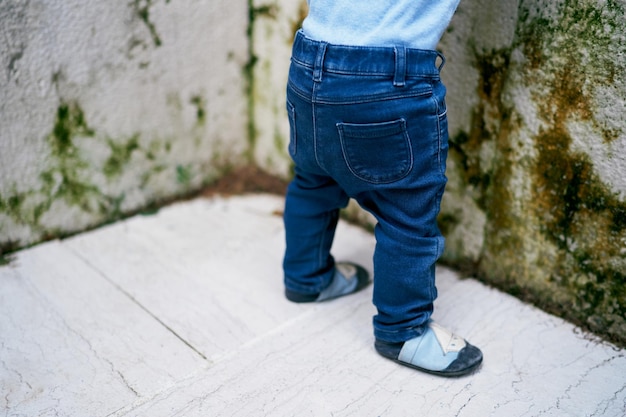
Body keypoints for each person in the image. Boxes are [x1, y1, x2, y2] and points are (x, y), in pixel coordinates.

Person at [282, 0, 483, 377]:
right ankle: (403, 332)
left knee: (313, 179)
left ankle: (306, 279)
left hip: (308, 63)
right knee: (406, 213)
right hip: (387, 80)